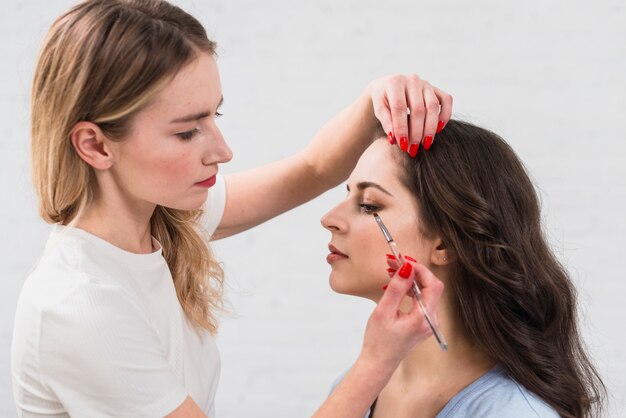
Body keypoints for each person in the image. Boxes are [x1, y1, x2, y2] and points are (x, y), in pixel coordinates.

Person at [11, 0, 452, 417]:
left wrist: (380, 94)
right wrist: (377, 361)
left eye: (213, 117)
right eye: (187, 133)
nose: (222, 151)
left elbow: (311, 169)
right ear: (95, 145)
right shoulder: (81, 308)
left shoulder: (162, 219)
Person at [321, 120, 607, 417]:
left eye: (369, 205)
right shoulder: (352, 391)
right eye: (347, 195)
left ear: (444, 244)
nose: (329, 218)